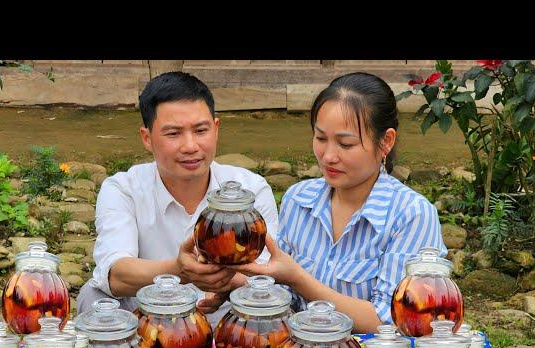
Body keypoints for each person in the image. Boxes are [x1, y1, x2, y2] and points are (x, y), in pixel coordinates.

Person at [230, 72, 446, 334]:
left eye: (346, 143)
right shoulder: (298, 200)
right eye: (321, 139)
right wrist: (232, 280)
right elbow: (283, 297)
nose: (329, 156)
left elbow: (394, 322)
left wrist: (299, 279)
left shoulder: (411, 215)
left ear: (386, 141)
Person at [76, 71, 278, 327]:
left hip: (221, 310)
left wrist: (223, 283)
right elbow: (115, 273)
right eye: (173, 134)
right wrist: (180, 271)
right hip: (148, 315)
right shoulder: (123, 189)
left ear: (216, 129)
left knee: (267, 308)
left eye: (201, 130)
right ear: (147, 138)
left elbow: (266, 275)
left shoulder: (251, 189)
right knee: (92, 296)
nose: (190, 146)